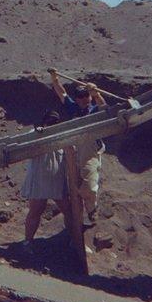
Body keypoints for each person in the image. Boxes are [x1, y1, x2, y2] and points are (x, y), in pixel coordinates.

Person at [49, 69, 106, 221]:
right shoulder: (73, 107)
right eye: (80, 96)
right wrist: (55, 80)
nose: (83, 99)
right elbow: (62, 94)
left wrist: (96, 94)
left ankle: (92, 209)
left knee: (88, 184)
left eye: (85, 96)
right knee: (73, 185)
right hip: (73, 149)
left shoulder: (93, 110)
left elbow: (104, 108)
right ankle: (78, 218)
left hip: (90, 149)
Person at [21, 110, 72, 255]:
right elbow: (26, 141)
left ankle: (72, 239)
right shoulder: (35, 133)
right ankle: (28, 241)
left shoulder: (63, 135)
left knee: (68, 211)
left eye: (55, 123)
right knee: (35, 211)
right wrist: (38, 132)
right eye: (50, 123)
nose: (52, 125)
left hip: (57, 181)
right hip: (39, 181)